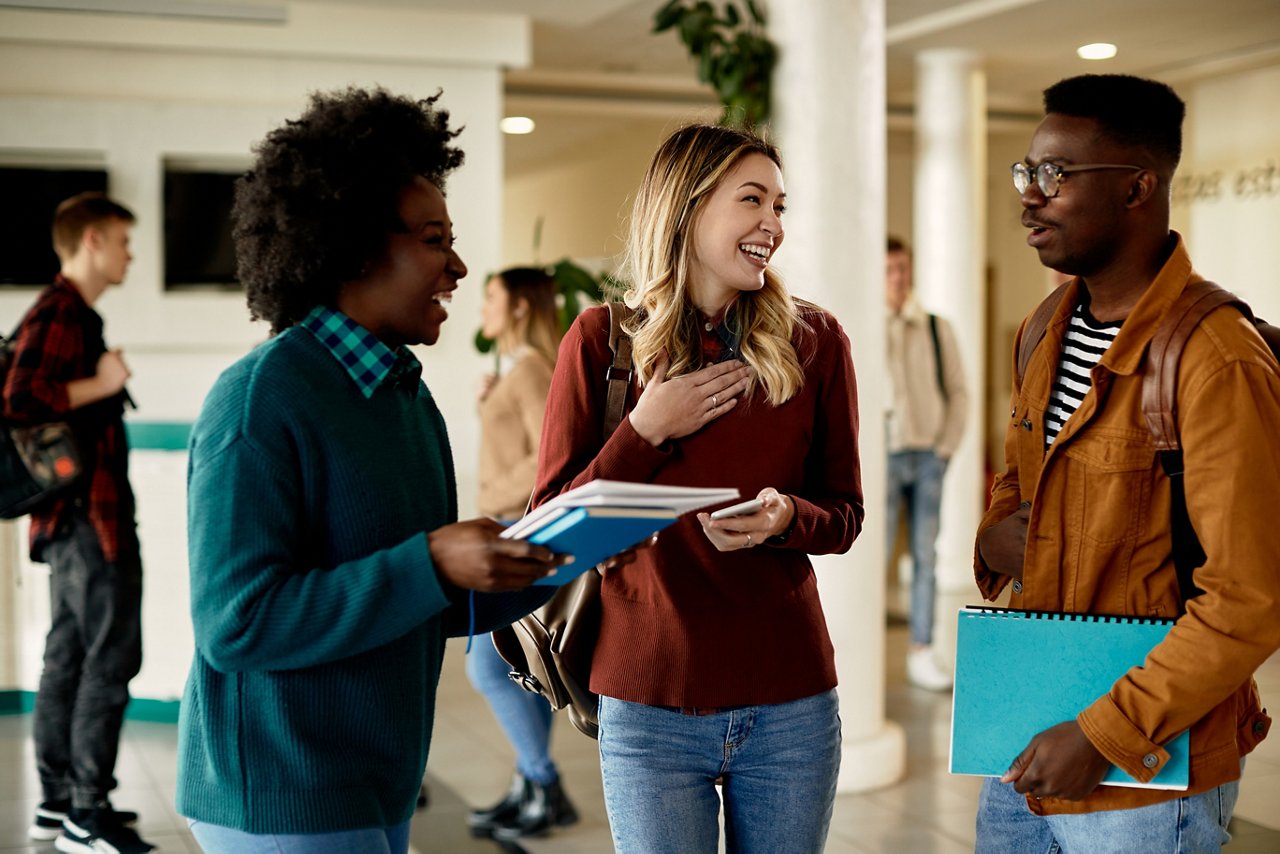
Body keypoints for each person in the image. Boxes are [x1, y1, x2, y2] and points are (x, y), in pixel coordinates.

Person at [174, 87, 567, 854]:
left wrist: (550, 560)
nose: (456, 267)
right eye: (432, 239)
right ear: (355, 244)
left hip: (378, 774)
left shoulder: (406, 401)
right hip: (281, 789)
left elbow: (424, 606)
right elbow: (236, 623)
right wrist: (431, 558)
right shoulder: (260, 401)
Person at [532, 123, 863, 853]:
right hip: (647, 701)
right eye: (753, 200)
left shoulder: (817, 342)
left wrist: (787, 517)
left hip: (791, 700)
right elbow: (551, 535)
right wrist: (644, 431)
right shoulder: (599, 344)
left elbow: (845, 515)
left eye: (781, 206)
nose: (773, 225)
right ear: (687, 208)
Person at [975, 73, 1280, 852]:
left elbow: (1248, 599)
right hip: (1024, 738)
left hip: (1146, 772)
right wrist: (994, 535)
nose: (1031, 197)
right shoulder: (1045, 326)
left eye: (1056, 175)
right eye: (1027, 173)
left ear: (1138, 186)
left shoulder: (1215, 359)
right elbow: (1020, 479)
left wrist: (1104, 735)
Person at [2, 192, 153, 853]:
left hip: (68, 524)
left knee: (69, 657)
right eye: (122, 241)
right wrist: (105, 381)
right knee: (106, 658)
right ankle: (84, 812)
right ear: (92, 239)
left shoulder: (63, 312)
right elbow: (20, 403)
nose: (129, 254)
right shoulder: (61, 311)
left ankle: (60, 804)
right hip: (91, 522)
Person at [465, 266, 578, 840]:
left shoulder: (533, 369)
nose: (480, 305)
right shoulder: (516, 370)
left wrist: (489, 497)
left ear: (517, 308)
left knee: (487, 664)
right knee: (512, 667)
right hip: (510, 526)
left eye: (491, 296)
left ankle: (544, 780)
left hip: (520, 530)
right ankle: (530, 786)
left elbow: (547, 461)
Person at [883, 234, 968, 691]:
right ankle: (866, 652)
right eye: (890, 270)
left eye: (903, 269)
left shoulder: (936, 328)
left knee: (925, 557)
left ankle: (921, 650)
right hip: (883, 460)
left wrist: (945, 449)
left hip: (928, 457)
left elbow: (959, 393)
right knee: (871, 556)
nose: (898, 278)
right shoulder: (866, 328)